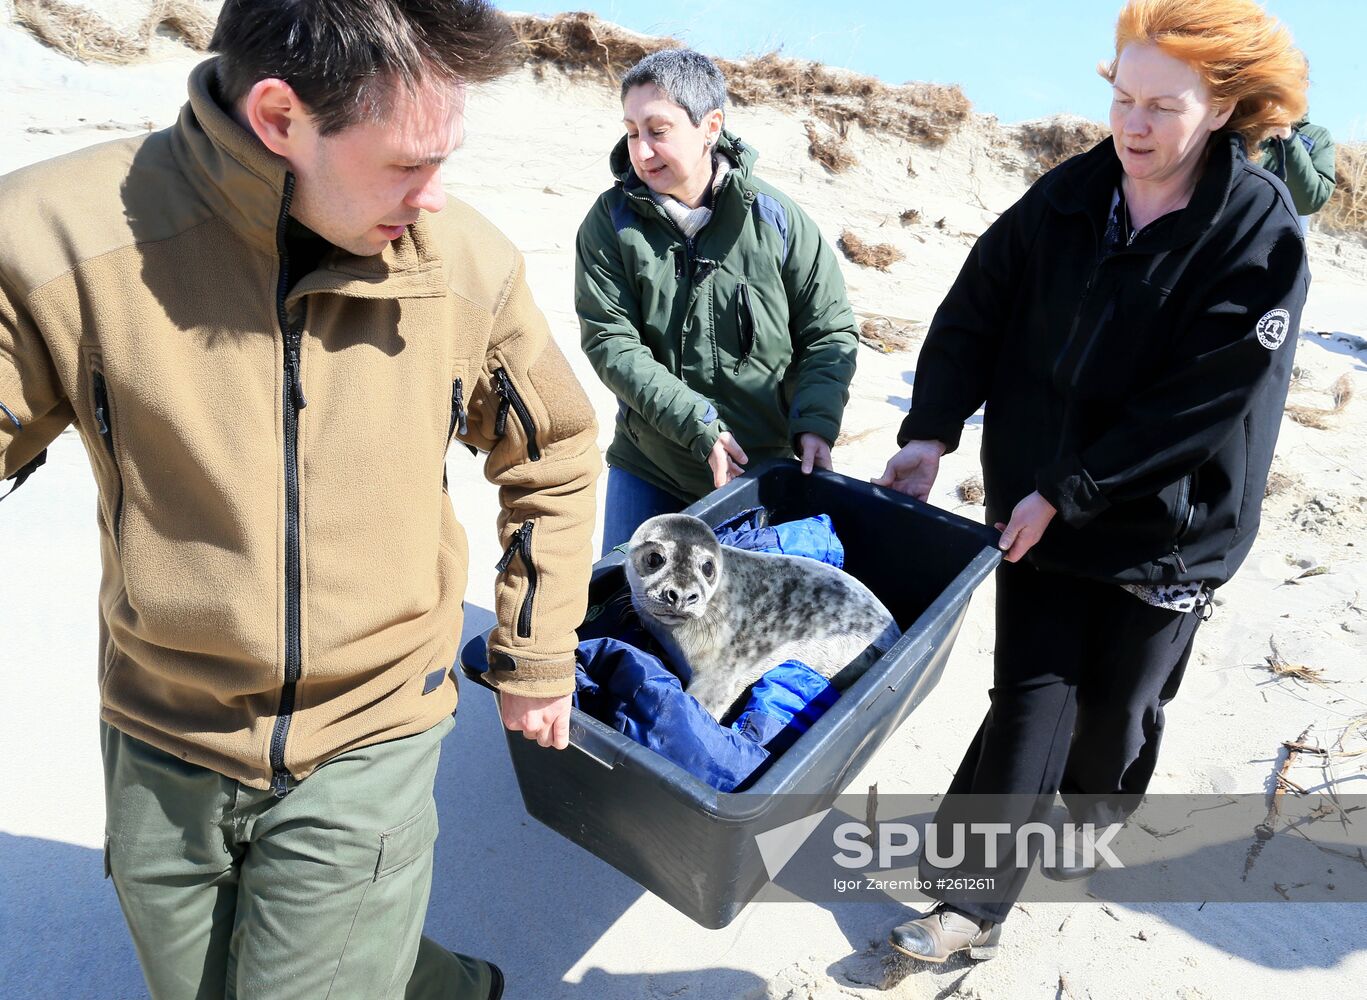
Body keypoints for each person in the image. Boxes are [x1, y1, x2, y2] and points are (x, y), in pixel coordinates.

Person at [0, 2, 600, 997]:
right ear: (280, 118)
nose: (436, 196)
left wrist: (535, 652)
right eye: (409, 163)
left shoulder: (465, 265)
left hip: (369, 732)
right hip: (161, 734)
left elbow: (556, 451)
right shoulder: (49, 241)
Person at [874, 0, 1309, 963]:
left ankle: (1098, 805)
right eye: (1123, 97)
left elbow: (1205, 401)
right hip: (1038, 500)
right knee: (1031, 693)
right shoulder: (1068, 195)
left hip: (1168, 524)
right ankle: (965, 904)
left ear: (1224, 106)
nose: (1134, 125)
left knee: (1110, 720)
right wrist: (931, 430)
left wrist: (1073, 489)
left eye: (1164, 106)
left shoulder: (1254, 229)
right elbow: (977, 305)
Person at [575, 48, 860, 553]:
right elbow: (612, 344)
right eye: (632, 131)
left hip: (759, 473)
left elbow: (828, 332)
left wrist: (816, 421)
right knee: (623, 611)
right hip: (650, 465)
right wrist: (697, 425)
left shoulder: (778, 221)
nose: (641, 151)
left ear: (710, 126)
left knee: (739, 626)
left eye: (658, 131)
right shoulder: (610, 223)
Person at [1260, 110, 1336, 231]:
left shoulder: (1318, 135)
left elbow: (1311, 200)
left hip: (1277, 233)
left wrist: (1288, 140)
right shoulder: (1243, 118)